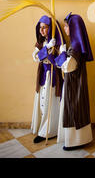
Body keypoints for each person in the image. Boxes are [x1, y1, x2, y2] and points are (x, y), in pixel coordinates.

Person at [55, 13, 93, 151]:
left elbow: (67, 67)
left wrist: (62, 55)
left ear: (74, 27)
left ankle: (75, 141)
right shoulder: (76, 44)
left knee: (74, 109)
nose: (65, 29)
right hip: (77, 82)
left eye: (66, 26)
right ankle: (81, 138)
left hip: (74, 84)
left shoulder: (76, 46)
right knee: (77, 108)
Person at [30, 15, 63, 143]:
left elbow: (60, 61)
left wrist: (55, 49)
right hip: (43, 75)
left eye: (45, 28)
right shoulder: (42, 42)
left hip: (53, 76)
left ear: (51, 29)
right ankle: (41, 128)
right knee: (42, 103)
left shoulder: (57, 43)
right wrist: (46, 47)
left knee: (51, 103)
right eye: (40, 28)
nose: (42, 31)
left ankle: (49, 131)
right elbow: (36, 57)